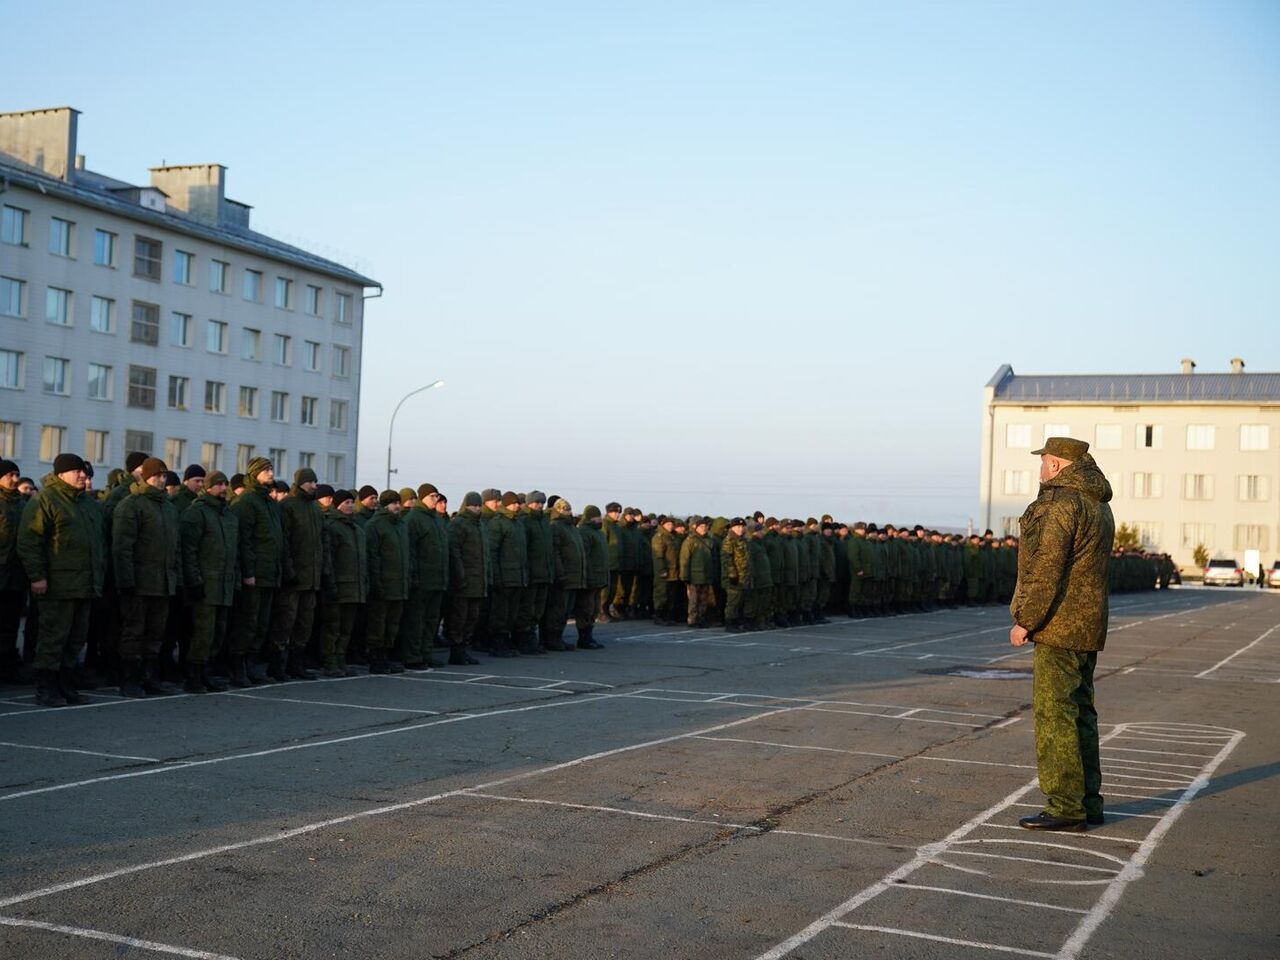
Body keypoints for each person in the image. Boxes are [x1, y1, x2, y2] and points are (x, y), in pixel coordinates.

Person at [1008, 437, 1115, 831]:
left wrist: (1026, 620)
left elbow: (1046, 568)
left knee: (1056, 717)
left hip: (1059, 624)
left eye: (1044, 462)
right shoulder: (1098, 504)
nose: (1040, 469)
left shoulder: (1061, 504)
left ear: (1056, 465)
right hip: (1088, 624)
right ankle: (1088, 801)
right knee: (1082, 712)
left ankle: (1066, 806)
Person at [17, 454, 103, 706]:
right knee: (53, 637)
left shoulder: (88, 504)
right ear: (61, 474)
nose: (83, 476)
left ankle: (65, 683)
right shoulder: (46, 500)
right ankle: (46, 687)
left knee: (76, 638)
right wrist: (38, 576)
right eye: (77, 471)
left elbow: (98, 545)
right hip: (57, 585)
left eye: (84, 473)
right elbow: (30, 542)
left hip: (84, 584)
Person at [112, 457, 181, 697]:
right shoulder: (132, 504)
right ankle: (129, 680)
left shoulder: (168, 507)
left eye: (164, 476)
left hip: (162, 583)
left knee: (155, 633)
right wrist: (126, 581)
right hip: (139, 582)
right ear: (145, 477)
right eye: (157, 476)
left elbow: (175, 547)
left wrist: (175, 577)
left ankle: (149, 677)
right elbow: (122, 547)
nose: (161, 480)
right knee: (134, 632)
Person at [179, 471, 237, 693]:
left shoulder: (228, 516)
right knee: (203, 632)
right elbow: (189, 550)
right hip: (206, 584)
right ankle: (194, 675)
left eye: (225, 484)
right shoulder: (197, 512)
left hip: (224, 584)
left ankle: (206, 672)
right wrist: (194, 581)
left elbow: (234, 551)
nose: (223, 488)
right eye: (219, 484)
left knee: (218, 633)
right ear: (209, 488)